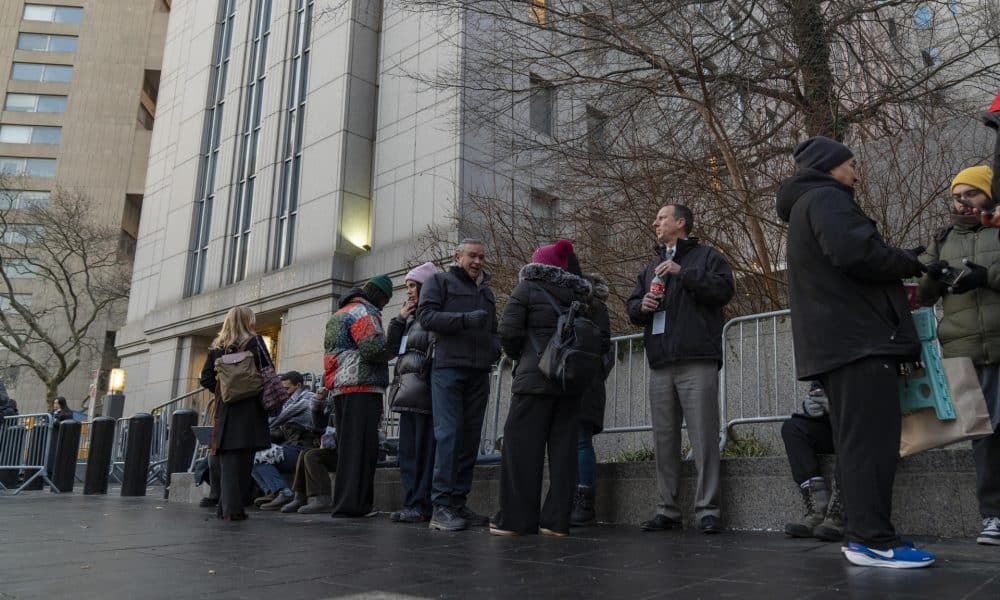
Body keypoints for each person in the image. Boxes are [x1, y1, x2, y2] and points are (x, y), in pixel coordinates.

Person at [776, 135, 934, 568]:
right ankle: (874, 540)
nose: (857, 174)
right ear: (830, 167)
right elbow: (855, 253)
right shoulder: (827, 199)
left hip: (841, 343)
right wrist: (906, 260)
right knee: (871, 445)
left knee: (857, 444)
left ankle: (865, 537)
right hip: (859, 343)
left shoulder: (807, 205)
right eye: (851, 165)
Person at [626, 204, 734, 535]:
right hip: (661, 363)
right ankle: (667, 510)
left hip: (697, 359)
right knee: (664, 440)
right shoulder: (650, 268)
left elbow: (723, 290)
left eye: (661, 218)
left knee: (704, 438)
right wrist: (641, 306)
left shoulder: (708, 257)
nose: (655, 223)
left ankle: (708, 510)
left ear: (681, 222)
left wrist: (682, 272)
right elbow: (632, 306)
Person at [491, 241, 609, 536]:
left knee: (520, 449)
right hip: (569, 384)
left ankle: (516, 520)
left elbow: (507, 330)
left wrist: (522, 356)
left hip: (534, 380)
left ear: (538, 264)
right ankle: (556, 522)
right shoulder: (582, 296)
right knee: (564, 453)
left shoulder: (527, 288)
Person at [917, 160, 1000, 547]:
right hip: (965, 350)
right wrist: (932, 274)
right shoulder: (944, 238)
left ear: (989, 193)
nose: (963, 202)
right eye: (957, 196)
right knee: (984, 434)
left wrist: (986, 277)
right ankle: (993, 516)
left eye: (972, 193)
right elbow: (924, 295)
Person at [418, 238, 501, 531]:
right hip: (448, 368)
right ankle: (440, 506)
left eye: (481, 257)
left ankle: (457, 502)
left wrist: (495, 348)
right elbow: (426, 317)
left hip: (478, 371)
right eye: (472, 256)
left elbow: (493, 328)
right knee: (449, 435)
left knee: (469, 439)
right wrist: (464, 319)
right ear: (457, 256)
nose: (477, 262)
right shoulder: (438, 282)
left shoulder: (486, 292)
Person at [323, 275, 394, 518]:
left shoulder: (339, 313)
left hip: (341, 387)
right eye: (385, 300)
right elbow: (373, 348)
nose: (384, 305)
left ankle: (344, 503)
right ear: (379, 295)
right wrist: (394, 342)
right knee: (362, 449)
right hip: (361, 387)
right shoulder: (363, 312)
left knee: (348, 449)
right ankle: (355, 505)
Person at [198, 306, 272, 521]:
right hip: (251, 408)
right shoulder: (255, 342)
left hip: (227, 408)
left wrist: (224, 391)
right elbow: (267, 370)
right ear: (249, 321)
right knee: (244, 460)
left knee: (228, 460)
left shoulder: (216, 347)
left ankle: (227, 508)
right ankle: (232, 509)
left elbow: (205, 378)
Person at [385, 261, 439, 523]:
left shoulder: (432, 315)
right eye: (407, 286)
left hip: (425, 394)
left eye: (412, 286)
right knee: (407, 454)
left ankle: (421, 504)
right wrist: (398, 319)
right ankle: (411, 503)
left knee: (423, 455)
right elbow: (391, 349)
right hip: (407, 394)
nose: (408, 291)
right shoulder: (410, 318)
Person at [571, 272, 614, 527]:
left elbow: (602, 343)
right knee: (578, 442)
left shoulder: (592, 309)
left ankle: (583, 501)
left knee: (579, 441)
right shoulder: (598, 308)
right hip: (586, 380)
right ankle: (580, 500)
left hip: (583, 381)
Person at [780, 382, 844, 541]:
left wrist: (839, 407)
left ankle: (840, 513)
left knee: (853, 431)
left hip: (858, 424)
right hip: (832, 425)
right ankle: (818, 509)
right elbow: (817, 389)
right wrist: (810, 405)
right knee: (792, 428)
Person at [254, 371, 318, 510]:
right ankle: (273, 492)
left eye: (287, 389)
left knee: (257, 456)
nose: (284, 392)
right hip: (292, 446)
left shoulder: (307, 398)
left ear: (298, 385)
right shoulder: (290, 401)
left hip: (303, 448)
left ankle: (283, 492)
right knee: (250, 454)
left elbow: (277, 418)